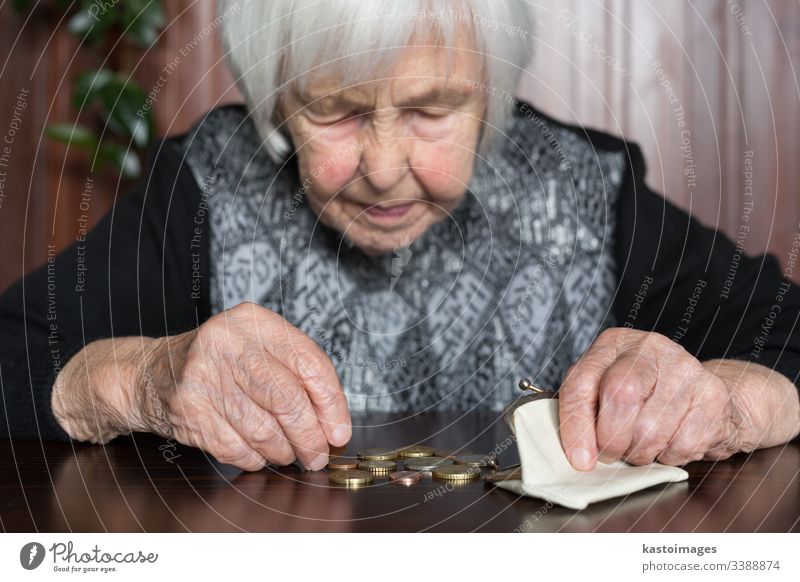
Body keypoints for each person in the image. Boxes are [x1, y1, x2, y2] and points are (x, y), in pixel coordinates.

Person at [1, 0, 798, 473]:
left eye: (432, 109)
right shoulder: (202, 187)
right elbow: (13, 352)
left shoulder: (587, 188)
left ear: (490, 92)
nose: (384, 169)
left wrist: (729, 402)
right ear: (277, 98)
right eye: (335, 111)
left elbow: (783, 332)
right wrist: (140, 380)